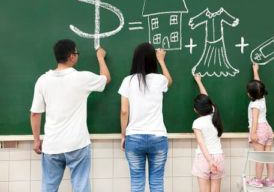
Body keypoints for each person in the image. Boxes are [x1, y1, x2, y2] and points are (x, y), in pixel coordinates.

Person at [30, 39, 111, 192]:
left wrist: (36, 141)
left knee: (48, 187)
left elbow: (35, 113)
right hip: (77, 144)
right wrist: (100, 57)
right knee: (81, 187)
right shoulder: (82, 78)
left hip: (52, 145)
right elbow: (106, 78)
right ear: (72, 56)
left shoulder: (43, 80)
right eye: (76, 52)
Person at [118, 43, 172, 192]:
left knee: (137, 182)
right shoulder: (160, 80)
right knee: (157, 182)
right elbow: (170, 81)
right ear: (152, 59)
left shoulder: (128, 81)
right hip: (158, 137)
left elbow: (124, 111)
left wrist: (123, 135)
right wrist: (162, 60)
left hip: (134, 137)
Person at [191, 74, 224, 192]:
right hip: (218, 156)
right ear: (210, 106)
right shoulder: (214, 115)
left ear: (196, 110)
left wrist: (210, 161)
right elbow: (206, 98)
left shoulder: (197, 123)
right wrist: (199, 82)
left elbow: (201, 143)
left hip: (204, 158)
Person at [246, 63, 274, 188]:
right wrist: (255, 70)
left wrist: (252, 134)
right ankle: (270, 179)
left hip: (259, 129)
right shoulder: (262, 98)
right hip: (268, 129)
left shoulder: (254, 105)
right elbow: (258, 84)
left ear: (251, 94)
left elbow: (255, 120)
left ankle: (257, 180)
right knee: (268, 155)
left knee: (259, 156)